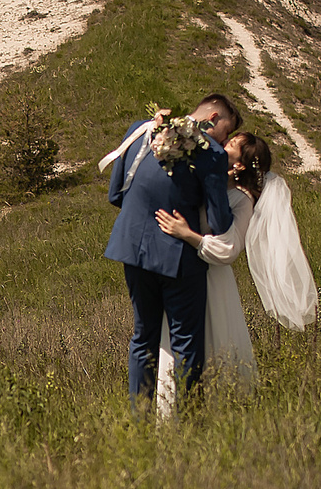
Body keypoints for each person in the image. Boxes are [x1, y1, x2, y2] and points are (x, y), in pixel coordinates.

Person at [152, 131, 320, 391]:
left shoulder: (241, 199)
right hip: (184, 273)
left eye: (230, 145)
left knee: (212, 343)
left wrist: (186, 234)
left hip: (213, 281)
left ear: (239, 164)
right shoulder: (208, 182)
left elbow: (228, 250)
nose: (221, 144)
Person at [99, 94, 236, 412]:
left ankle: (140, 418)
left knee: (142, 336)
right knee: (186, 341)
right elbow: (218, 222)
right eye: (226, 132)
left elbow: (115, 193)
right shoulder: (211, 153)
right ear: (214, 118)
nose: (225, 141)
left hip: (132, 247)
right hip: (178, 257)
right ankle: (186, 420)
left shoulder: (142, 130)